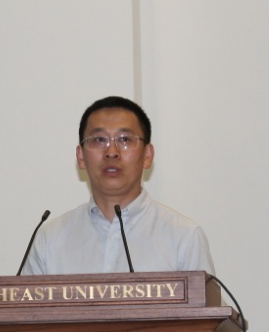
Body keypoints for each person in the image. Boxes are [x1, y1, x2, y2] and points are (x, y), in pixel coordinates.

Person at [20, 96, 215, 275]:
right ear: (81, 157)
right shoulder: (50, 239)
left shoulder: (184, 237)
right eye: (99, 140)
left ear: (147, 155)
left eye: (125, 140)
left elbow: (205, 302)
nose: (112, 152)